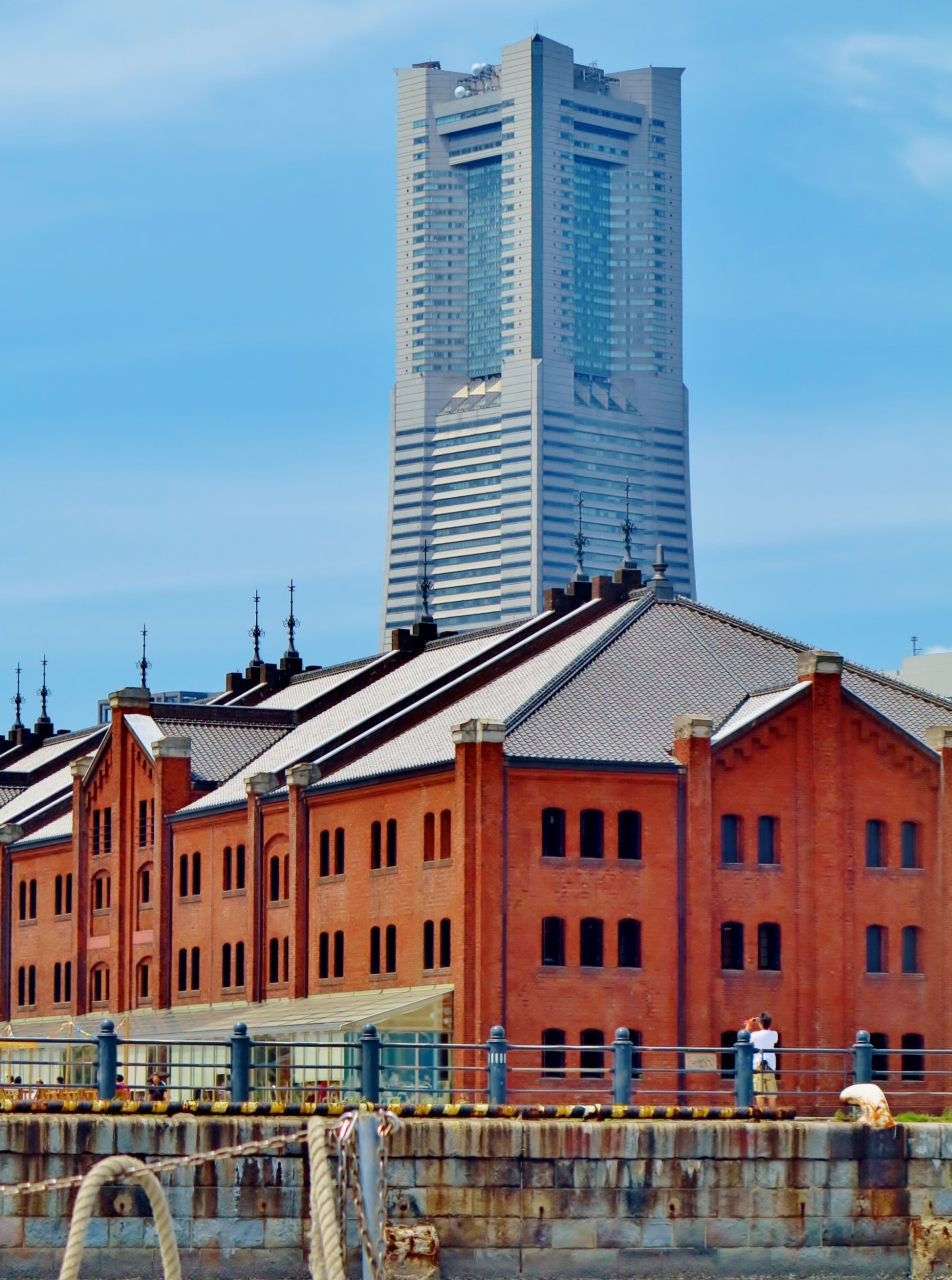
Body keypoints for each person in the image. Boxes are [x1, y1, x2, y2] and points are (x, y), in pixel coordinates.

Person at [750, 1012, 779, 1107]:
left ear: (760, 1023)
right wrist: (764, 1022)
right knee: (771, 1094)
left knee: (759, 1093)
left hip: (758, 1065)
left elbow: (745, 1039)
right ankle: (772, 1115)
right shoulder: (774, 1034)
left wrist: (749, 1024)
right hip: (770, 1065)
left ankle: (761, 1114)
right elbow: (770, 1035)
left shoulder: (755, 1035)